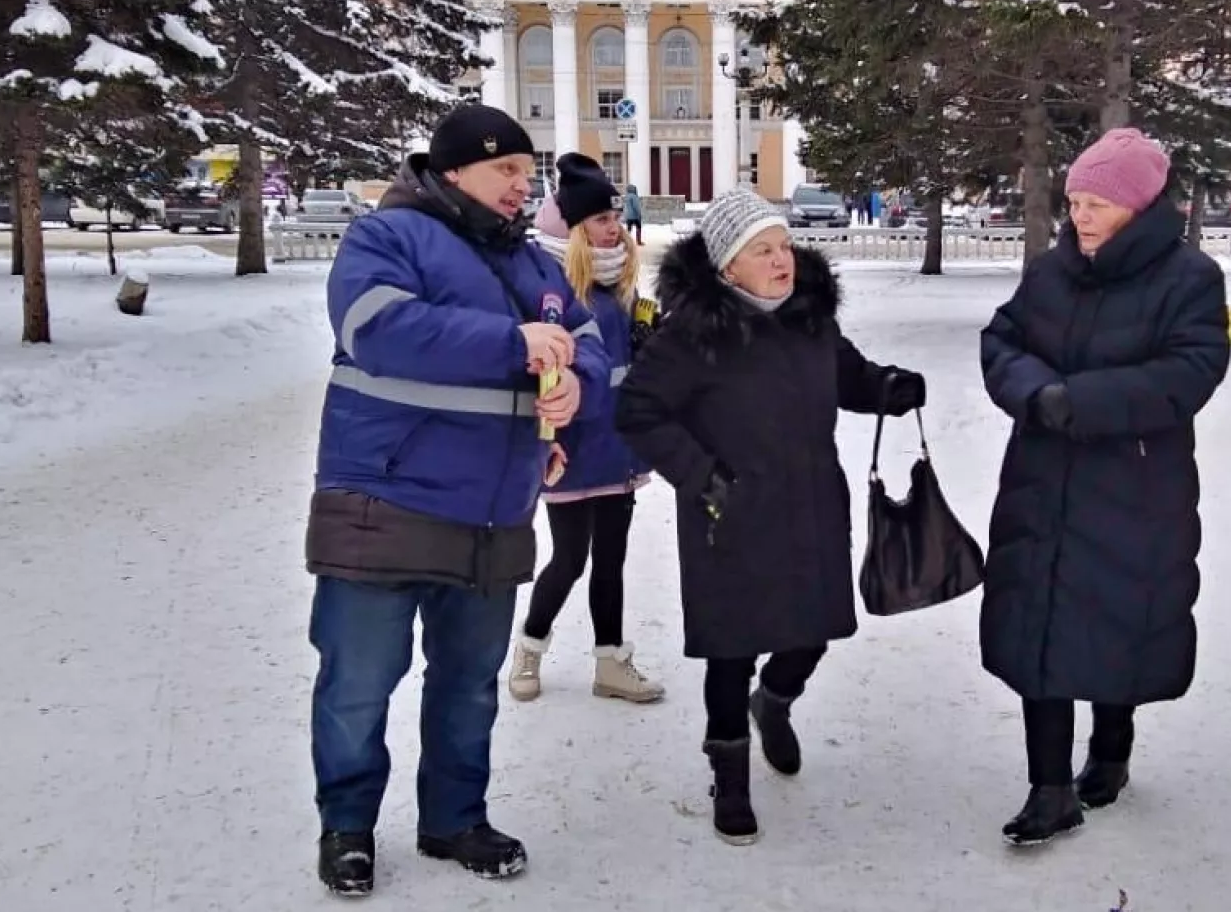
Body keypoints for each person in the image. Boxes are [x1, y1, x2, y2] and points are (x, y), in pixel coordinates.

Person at [303, 103, 611, 896]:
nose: (522, 183)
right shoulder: (388, 236)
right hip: (384, 497)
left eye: (526, 169)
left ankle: (453, 817)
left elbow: (595, 342)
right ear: (454, 171)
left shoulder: (537, 266)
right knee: (360, 680)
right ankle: (347, 828)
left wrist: (573, 386)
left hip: (495, 512)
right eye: (505, 168)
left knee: (468, 682)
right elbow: (379, 328)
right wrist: (509, 344)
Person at [614, 187, 926, 846]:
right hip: (727, 515)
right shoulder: (692, 333)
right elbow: (638, 410)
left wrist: (887, 389)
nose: (782, 260)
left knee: (809, 635)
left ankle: (775, 702)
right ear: (729, 265)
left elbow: (849, 378)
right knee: (731, 653)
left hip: (810, 506)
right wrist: (705, 477)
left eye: (784, 246)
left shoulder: (810, 318)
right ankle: (728, 773)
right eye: (763, 251)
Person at [979, 128, 1230, 846]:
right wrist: (1037, 394)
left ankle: (1111, 751)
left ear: (1137, 207)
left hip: (1134, 490)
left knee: (1120, 625)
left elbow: (1191, 372)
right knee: (1041, 630)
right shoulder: (1052, 271)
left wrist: (1080, 402)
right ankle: (1048, 789)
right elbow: (1003, 341)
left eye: (1095, 204)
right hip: (1040, 480)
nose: (1079, 217)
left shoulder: (1188, 279)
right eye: (1074, 202)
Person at [507, 154, 664, 704]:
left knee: (613, 561)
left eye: (616, 215)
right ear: (573, 231)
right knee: (570, 559)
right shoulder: (553, 296)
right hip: (571, 452)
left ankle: (611, 664)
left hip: (618, 451)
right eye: (601, 218)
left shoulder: (622, 294)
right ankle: (528, 647)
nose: (614, 226)